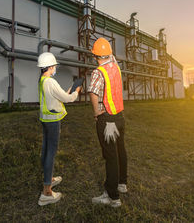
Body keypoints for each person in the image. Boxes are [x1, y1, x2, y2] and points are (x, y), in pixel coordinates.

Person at [87, 37, 128, 208]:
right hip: (119, 117)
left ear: (95, 55)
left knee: (110, 157)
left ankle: (112, 197)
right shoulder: (115, 66)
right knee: (120, 150)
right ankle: (122, 183)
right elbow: (109, 56)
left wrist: (96, 111)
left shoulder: (98, 72)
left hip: (108, 120)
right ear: (110, 54)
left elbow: (93, 93)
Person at [37, 52, 81, 206]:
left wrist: (68, 90)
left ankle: (49, 178)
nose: (55, 68)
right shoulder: (51, 82)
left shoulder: (42, 80)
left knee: (46, 150)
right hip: (53, 121)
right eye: (54, 65)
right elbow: (68, 99)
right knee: (51, 153)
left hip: (45, 119)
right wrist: (76, 92)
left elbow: (59, 96)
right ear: (49, 67)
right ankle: (47, 192)